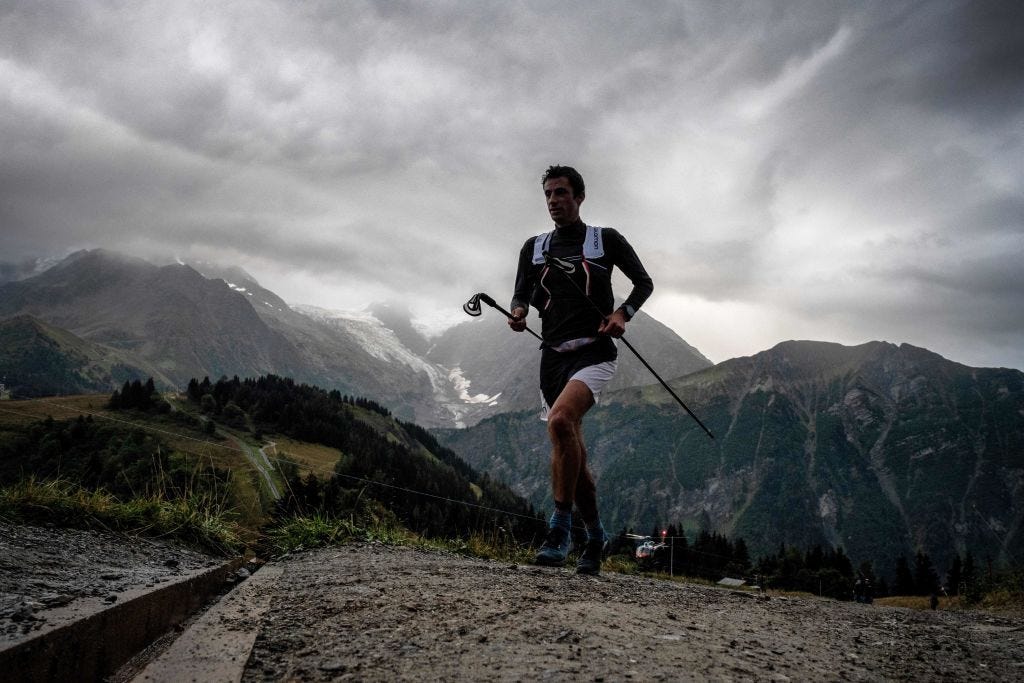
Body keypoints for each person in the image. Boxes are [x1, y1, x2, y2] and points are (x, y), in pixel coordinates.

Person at [508, 165, 653, 574]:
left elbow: (644, 283)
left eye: (561, 193)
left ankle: (559, 530)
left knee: (559, 422)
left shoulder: (604, 240)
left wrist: (622, 314)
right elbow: (521, 292)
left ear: (579, 197)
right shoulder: (533, 248)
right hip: (552, 357)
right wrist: (518, 311)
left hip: (594, 352)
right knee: (574, 454)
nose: (554, 201)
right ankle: (594, 538)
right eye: (549, 195)